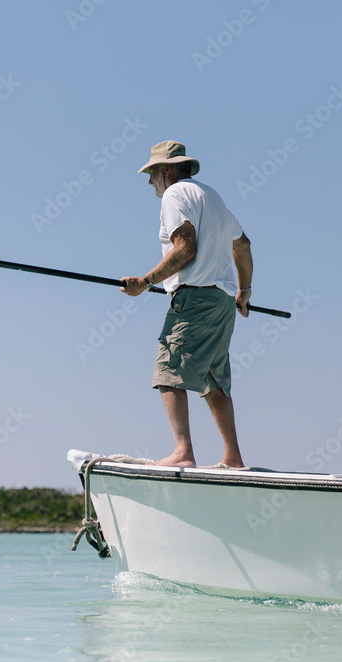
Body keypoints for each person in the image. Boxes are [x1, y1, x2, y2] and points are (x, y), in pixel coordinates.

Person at [121, 141, 253, 469]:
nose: (151, 181)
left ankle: (183, 452)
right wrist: (244, 290)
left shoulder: (174, 196)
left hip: (193, 300)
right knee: (215, 382)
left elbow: (184, 248)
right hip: (222, 303)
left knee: (168, 373)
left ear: (167, 170)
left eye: (152, 173)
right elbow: (243, 245)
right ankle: (232, 457)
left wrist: (146, 281)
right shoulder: (213, 197)